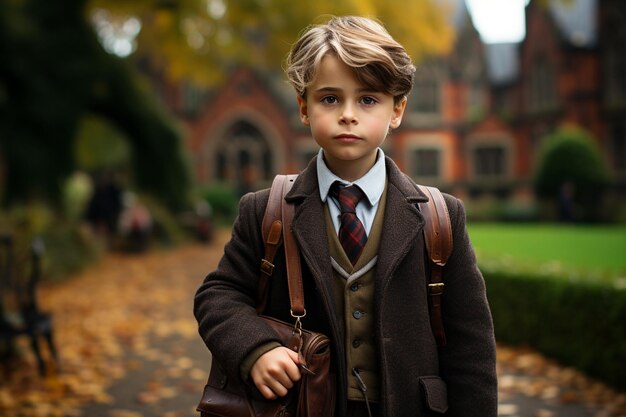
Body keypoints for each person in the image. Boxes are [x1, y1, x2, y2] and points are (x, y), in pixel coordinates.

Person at [194, 15, 497, 417]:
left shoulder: (440, 218)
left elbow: (471, 346)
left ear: (398, 111)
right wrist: (256, 349)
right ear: (304, 108)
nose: (348, 114)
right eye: (330, 98)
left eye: (368, 99)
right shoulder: (266, 210)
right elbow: (217, 296)